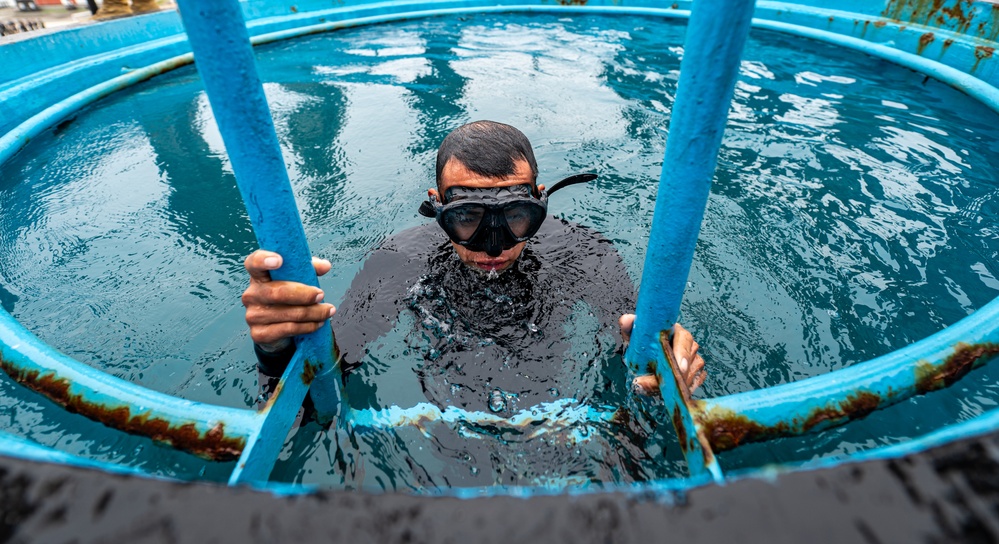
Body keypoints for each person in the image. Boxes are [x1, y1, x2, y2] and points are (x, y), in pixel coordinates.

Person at [242, 120, 705, 415]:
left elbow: (635, 343)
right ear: (436, 205)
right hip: (442, 418)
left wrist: (663, 359)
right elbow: (317, 396)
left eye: (517, 217)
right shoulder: (399, 258)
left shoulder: (582, 251)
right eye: (466, 219)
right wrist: (280, 344)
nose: (494, 246)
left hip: (560, 398)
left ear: (540, 199)